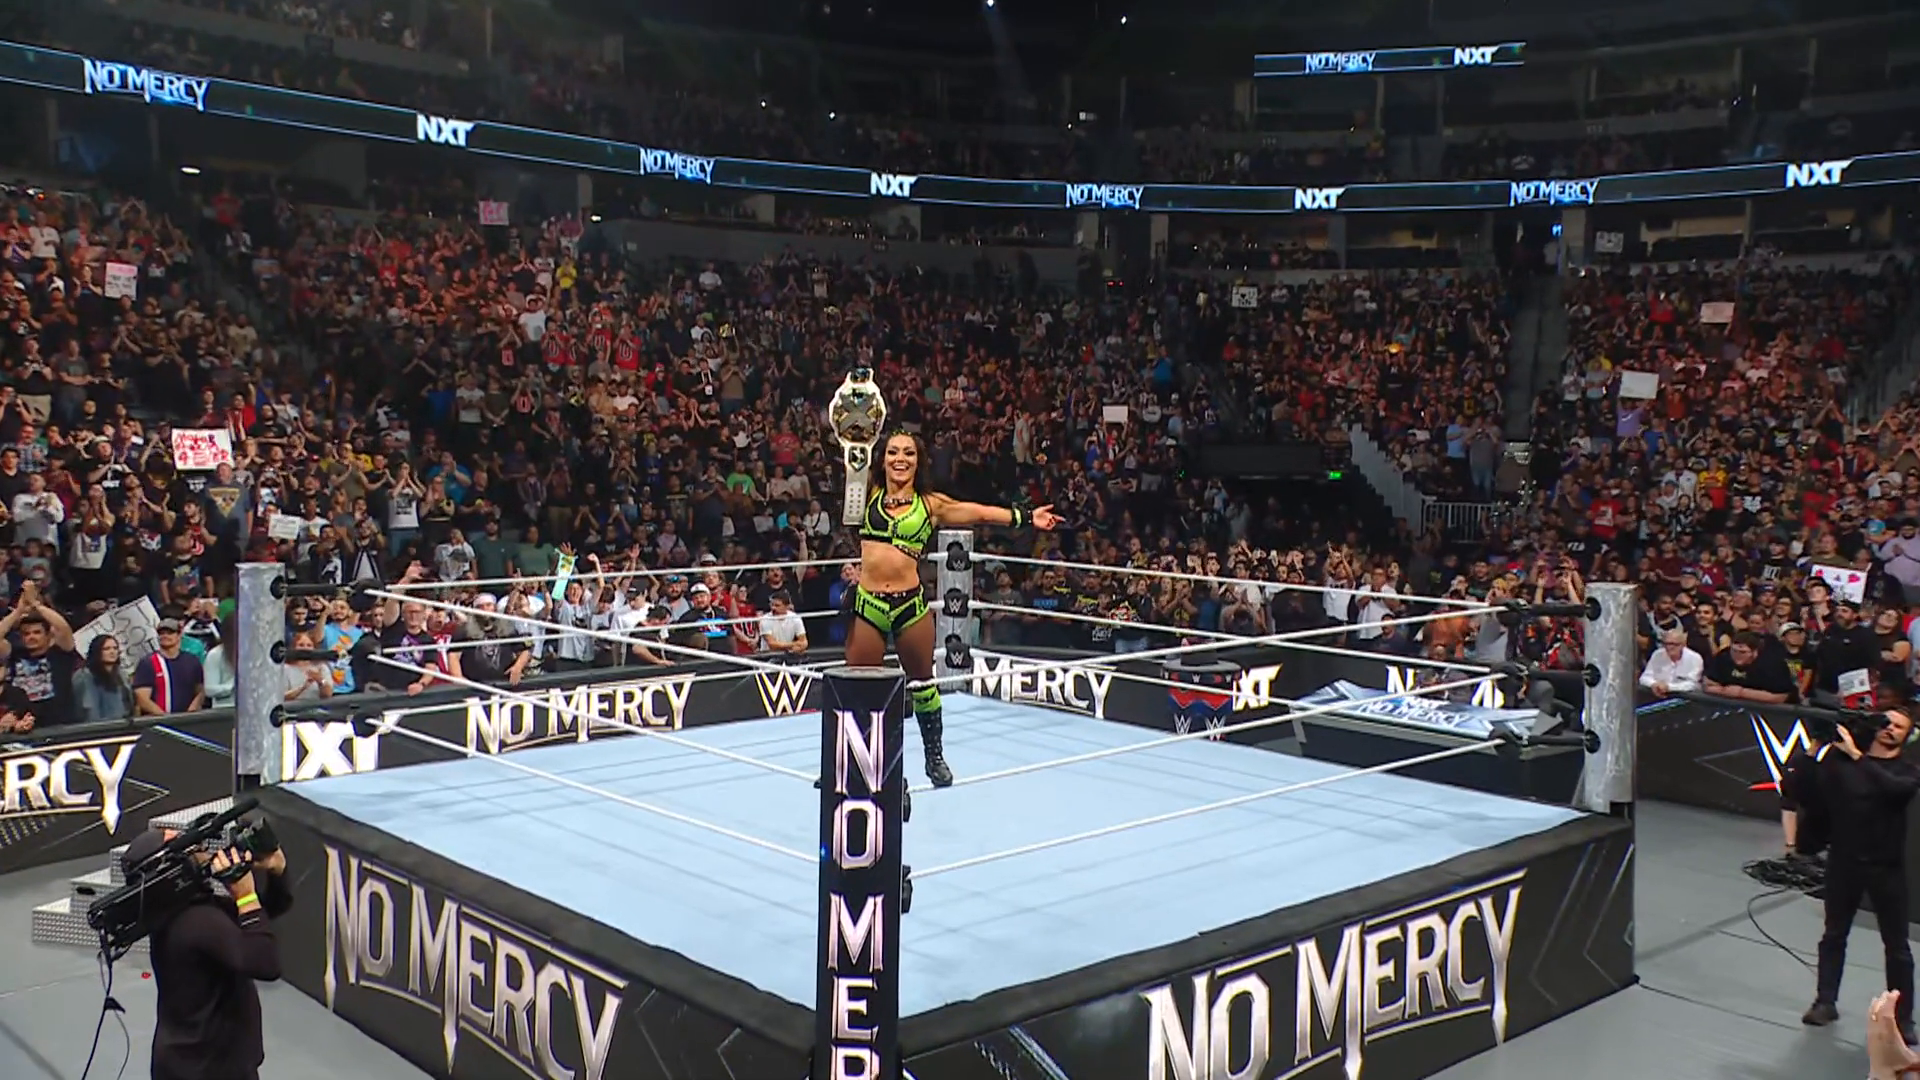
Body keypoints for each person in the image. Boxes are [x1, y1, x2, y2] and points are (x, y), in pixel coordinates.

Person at [848, 430, 1059, 785]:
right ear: (882, 459)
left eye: (909, 453)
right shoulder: (866, 495)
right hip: (868, 603)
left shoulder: (930, 505)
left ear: (919, 461)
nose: (900, 459)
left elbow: (979, 512)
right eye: (894, 452)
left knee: (923, 684)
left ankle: (934, 757)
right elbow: (850, 470)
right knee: (857, 688)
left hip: (909, 604)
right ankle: (853, 764)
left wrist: (1025, 517)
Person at [124, 826, 292, 1080]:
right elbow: (265, 963)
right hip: (208, 1070)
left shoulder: (181, 911)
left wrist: (276, 872)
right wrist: (245, 895)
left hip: (198, 1063)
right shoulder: (198, 922)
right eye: (187, 844)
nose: (200, 845)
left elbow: (263, 914)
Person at [1802, 708, 1920, 1044]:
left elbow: (1894, 792)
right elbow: (1804, 791)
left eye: (1899, 726)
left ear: (1908, 735)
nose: (1890, 729)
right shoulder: (1840, 763)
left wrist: (1857, 756)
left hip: (1886, 867)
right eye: (1886, 722)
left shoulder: (1907, 771)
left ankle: (1902, 1018)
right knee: (1833, 935)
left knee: (1896, 946)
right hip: (1844, 863)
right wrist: (1814, 751)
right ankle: (1825, 1002)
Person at [1638, 627, 1703, 697]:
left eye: (1674, 644)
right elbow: (1644, 677)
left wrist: (1668, 687)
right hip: (1657, 694)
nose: (1669, 647)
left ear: (1683, 645)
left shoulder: (1695, 658)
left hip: (1684, 697)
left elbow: (1693, 684)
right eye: (1666, 644)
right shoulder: (1657, 654)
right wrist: (1654, 684)